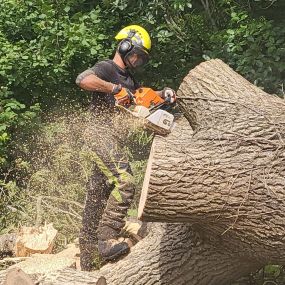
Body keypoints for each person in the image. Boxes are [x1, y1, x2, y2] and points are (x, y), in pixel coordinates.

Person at [76, 25, 176, 271]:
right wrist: (114, 88)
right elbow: (82, 79)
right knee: (125, 179)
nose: (137, 60)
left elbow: (142, 101)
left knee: (97, 197)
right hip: (100, 135)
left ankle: (89, 260)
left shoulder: (131, 80)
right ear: (125, 45)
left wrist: (163, 96)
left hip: (114, 141)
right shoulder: (107, 69)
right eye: (136, 54)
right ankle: (106, 238)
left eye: (142, 57)